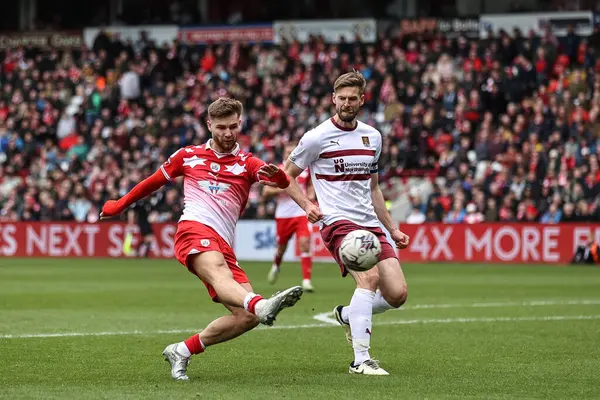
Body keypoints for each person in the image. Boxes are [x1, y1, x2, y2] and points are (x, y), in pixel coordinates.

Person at [100, 98, 304, 381]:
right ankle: (261, 304)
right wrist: (120, 205)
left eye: (234, 126)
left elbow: (279, 181)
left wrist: (281, 180)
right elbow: (152, 182)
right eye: (221, 127)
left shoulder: (247, 162)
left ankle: (182, 350)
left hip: (223, 243)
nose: (228, 133)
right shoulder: (188, 155)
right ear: (209, 125)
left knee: (247, 318)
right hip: (193, 230)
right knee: (229, 282)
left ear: (240, 123)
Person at [283, 71, 410, 376]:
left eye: (353, 98)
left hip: (371, 223)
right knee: (368, 280)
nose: (347, 103)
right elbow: (284, 175)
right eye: (342, 98)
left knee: (397, 294)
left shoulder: (372, 137)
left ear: (361, 100)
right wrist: (307, 205)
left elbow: (374, 188)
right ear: (333, 99)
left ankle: (347, 314)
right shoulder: (316, 137)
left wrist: (392, 228)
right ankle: (361, 360)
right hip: (337, 223)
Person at [262, 143, 315, 292]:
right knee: (281, 249)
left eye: (293, 152)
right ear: (284, 154)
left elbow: (310, 185)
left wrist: (310, 195)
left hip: (300, 213)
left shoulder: (303, 170)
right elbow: (265, 192)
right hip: (283, 215)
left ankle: (306, 281)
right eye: (287, 152)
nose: (290, 154)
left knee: (305, 243)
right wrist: (285, 188)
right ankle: (276, 265)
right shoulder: (276, 170)